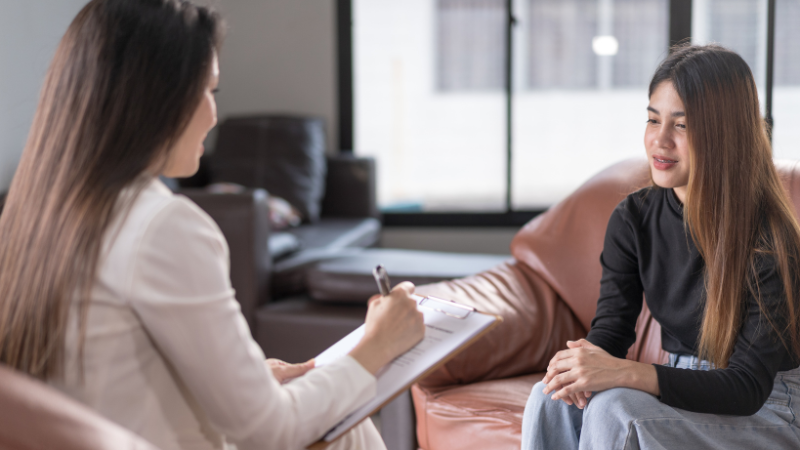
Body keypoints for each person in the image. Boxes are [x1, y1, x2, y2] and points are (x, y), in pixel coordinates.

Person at [0, 1, 425, 449]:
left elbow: (110, 374)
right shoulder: (161, 225)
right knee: (345, 423)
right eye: (207, 92)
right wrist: (376, 346)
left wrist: (249, 380)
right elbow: (269, 432)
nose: (214, 115)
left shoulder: (28, 218)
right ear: (154, 98)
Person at [521, 44, 800, 449]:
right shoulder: (633, 219)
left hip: (771, 406)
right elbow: (612, 331)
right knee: (551, 399)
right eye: (653, 120)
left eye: (681, 126)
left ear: (723, 133)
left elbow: (746, 387)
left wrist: (623, 374)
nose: (660, 140)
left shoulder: (770, 241)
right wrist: (578, 368)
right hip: (680, 384)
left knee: (614, 409)